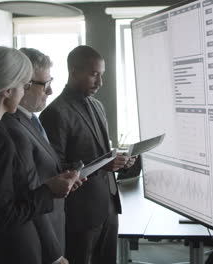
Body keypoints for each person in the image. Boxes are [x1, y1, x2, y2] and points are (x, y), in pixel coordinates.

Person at [0, 46, 79, 264]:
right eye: (24, 85)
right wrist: (49, 190)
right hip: (2, 252)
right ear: (7, 90)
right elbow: (3, 214)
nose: (24, 92)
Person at [40, 45, 135, 264]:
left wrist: (120, 159)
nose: (100, 82)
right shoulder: (55, 113)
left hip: (108, 207)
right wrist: (102, 165)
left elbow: (99, 152)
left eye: (102, 75)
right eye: (94, 74)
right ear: (74, 71)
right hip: (80, 213)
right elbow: (54, 168)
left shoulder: (98, 106)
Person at [2, 48, 83, 264]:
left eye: (51, 81)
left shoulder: (30, 120)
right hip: (38, 242)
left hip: (53, 225)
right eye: (44, 84)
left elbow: (43, 173)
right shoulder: (12, 127)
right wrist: (54, 254)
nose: (50, 91)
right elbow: (27, 195)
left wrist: (65, 176)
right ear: (22, 83)